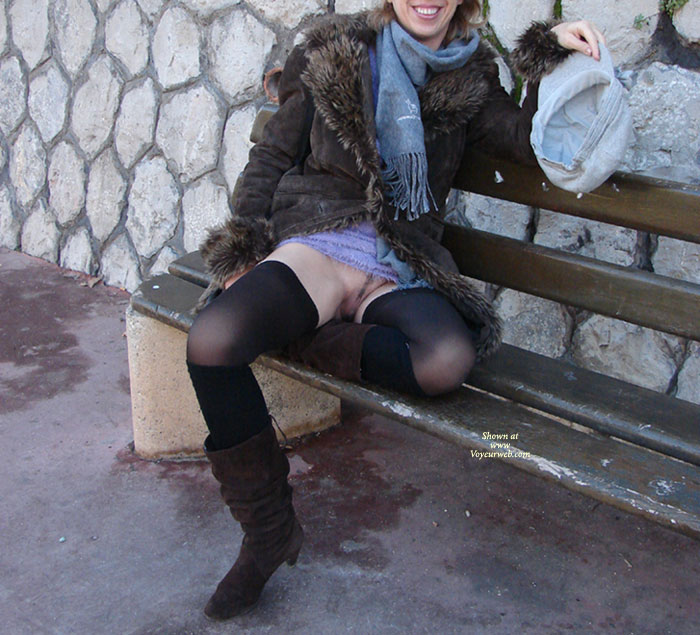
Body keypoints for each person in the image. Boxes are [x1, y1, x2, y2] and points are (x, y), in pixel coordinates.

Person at [185, 0, 605, 621]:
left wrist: (551, 51)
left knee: (447, 360)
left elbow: (525, 138)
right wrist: (246, 243)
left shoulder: (471, 74)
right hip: (319, 244)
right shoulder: (332, 48)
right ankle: (267, 533)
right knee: (213, 342)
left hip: (399, 264)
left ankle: (304, 331)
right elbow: (272, 156)